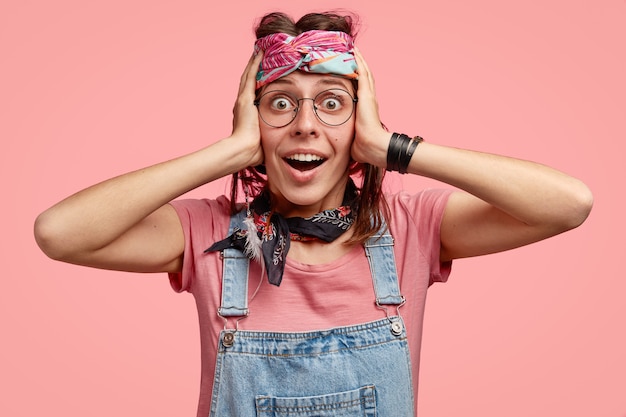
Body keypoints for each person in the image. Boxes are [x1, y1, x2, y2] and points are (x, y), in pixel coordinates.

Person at [34, 10, 593, 417]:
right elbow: (59, 233)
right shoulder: (207, 230)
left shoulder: (407, 226)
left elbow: (569, 204)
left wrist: (391, 146)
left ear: (360, 124)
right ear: (255, 125)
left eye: (332, 102)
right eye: (281, 103)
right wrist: (228, 150)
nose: (305, 124)